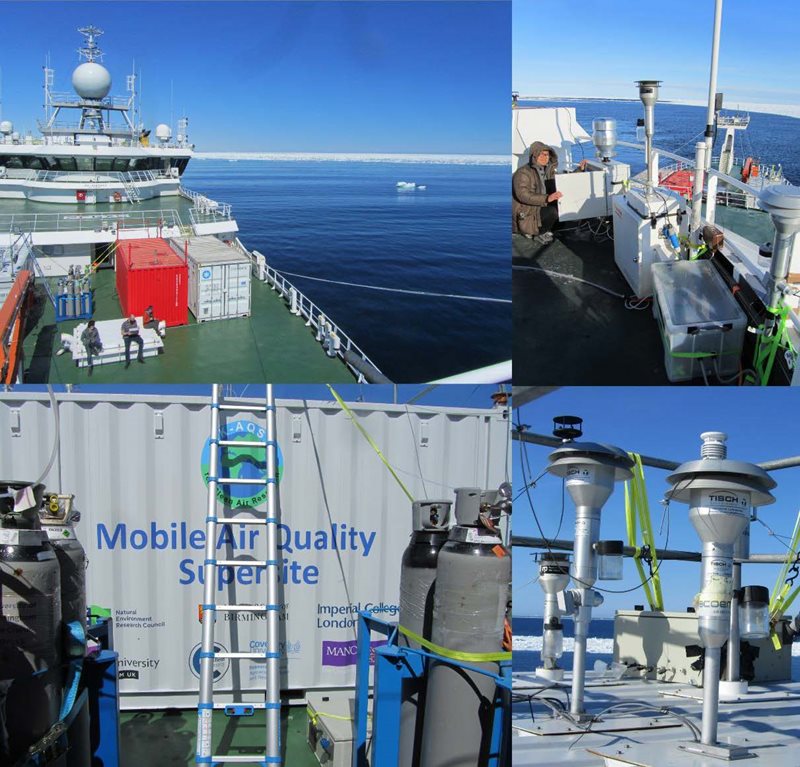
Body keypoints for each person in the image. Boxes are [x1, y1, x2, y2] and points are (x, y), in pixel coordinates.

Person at [512, 141, 587, 244]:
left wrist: (579, 170)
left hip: (542, 204)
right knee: (553, 212)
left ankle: (552, 229)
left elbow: (564, 183)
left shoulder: (548, 170)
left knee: (563, 205)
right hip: (528, 210)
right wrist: (547, 198)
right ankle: (538, 233)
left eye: (547, 155)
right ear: (534, 155)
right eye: (542, 154)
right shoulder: (523, 173)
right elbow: (523, 195)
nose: (546, 157)